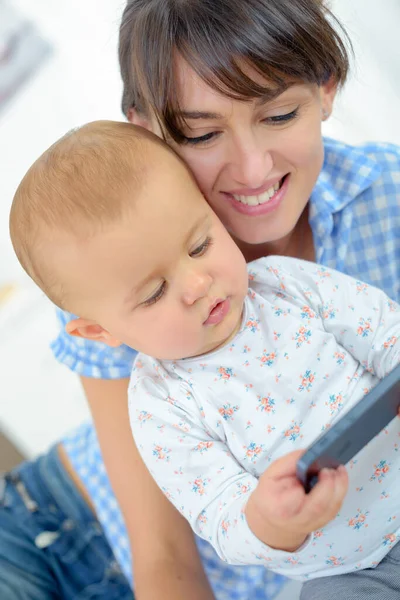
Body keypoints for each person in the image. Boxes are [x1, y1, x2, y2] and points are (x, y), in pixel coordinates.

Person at [1, 1, 399, 599]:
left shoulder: (383, 204)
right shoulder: (107, 270)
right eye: (203, 132)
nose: (252, 168)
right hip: (59, 529)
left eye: (280, 114)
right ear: (147, 129)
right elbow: (164, 556)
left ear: (326, 88)